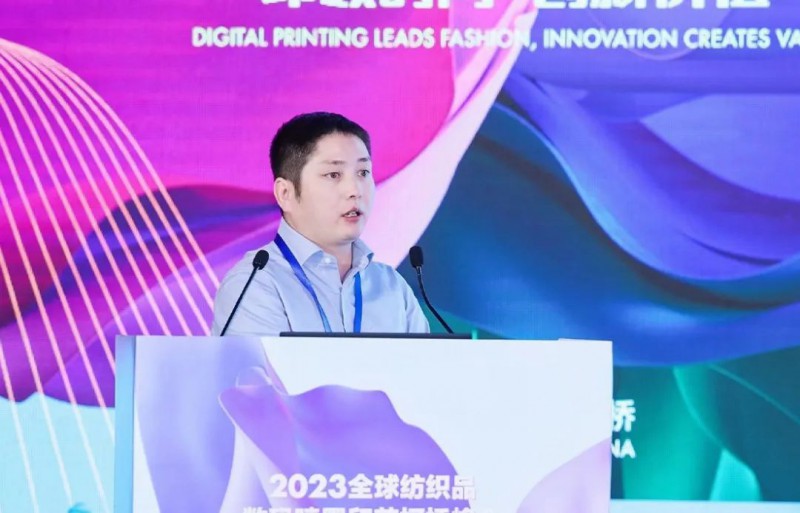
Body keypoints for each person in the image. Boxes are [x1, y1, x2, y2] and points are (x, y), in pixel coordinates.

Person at [212, 112, 430, 336]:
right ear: (285, 193)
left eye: (363, 172)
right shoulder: (255, 284)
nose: (355, 190)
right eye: (333, 175)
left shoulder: (392, 288)